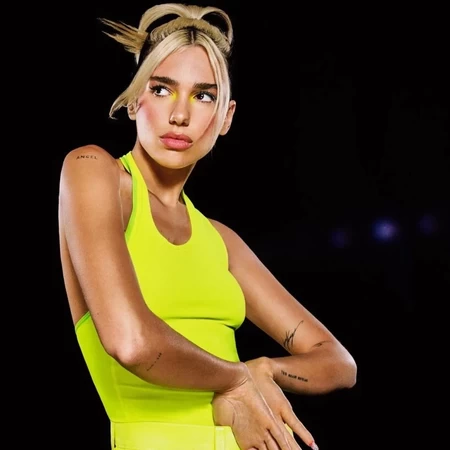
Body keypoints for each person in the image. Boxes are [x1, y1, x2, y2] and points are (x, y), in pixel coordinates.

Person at [58, 3, 357, 449]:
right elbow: (130, 341)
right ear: (136, 100)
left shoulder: (220, 241)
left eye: (203, 96)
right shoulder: (92, 171)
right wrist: (235, 381)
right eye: (161, 89)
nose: (180, 115)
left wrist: (265, 370)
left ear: (226, 117)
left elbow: (338, 363)